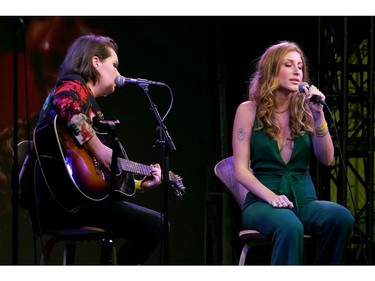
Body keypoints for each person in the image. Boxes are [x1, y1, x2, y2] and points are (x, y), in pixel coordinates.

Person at [31, 33, 166, 265]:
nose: (118, 73)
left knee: (154, 223)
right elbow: (65, 104)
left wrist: (137, 185)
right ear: (95, 62)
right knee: (156, 225)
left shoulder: (90, 104)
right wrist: (100, 148)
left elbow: (96, 179)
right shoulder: (72, 85)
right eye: (114, 65)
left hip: (72, 201)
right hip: (64, 204)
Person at [232, 41, 354, 265]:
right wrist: (272, 197)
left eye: (300, 66)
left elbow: (327, 159)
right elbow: (240, 170)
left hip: (304, 201)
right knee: (289, 225)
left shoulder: (306, 110)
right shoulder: (248, 110)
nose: (297, 71)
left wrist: (319, 116)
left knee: (341, 218)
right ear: (271, 70)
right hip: (262, 203)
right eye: (288, 65)